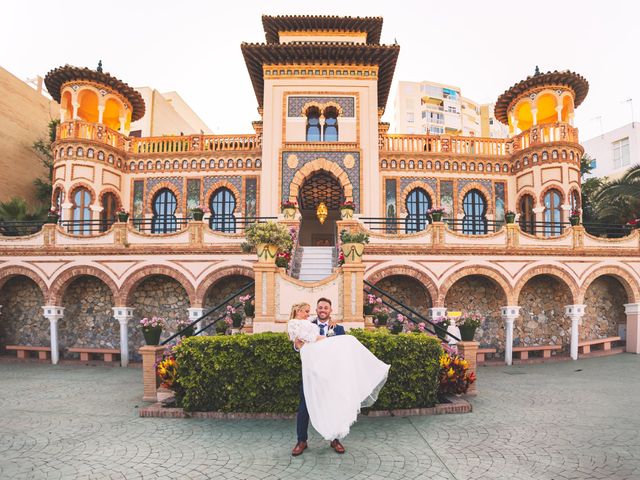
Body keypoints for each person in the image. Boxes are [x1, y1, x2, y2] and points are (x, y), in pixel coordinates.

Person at [288, 298, 390, 457]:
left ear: (330, 310)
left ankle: (335, 439)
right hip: (311, 375)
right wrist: (297, 345)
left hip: (331, 376)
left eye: (326, 308)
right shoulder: (306, 324)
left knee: (333, 406)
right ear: (316, 309)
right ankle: (301, 441)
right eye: (320, 307)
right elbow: (296, 344)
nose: (322, 310)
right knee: (304, 408)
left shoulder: (338, 328)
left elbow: (343, 352)